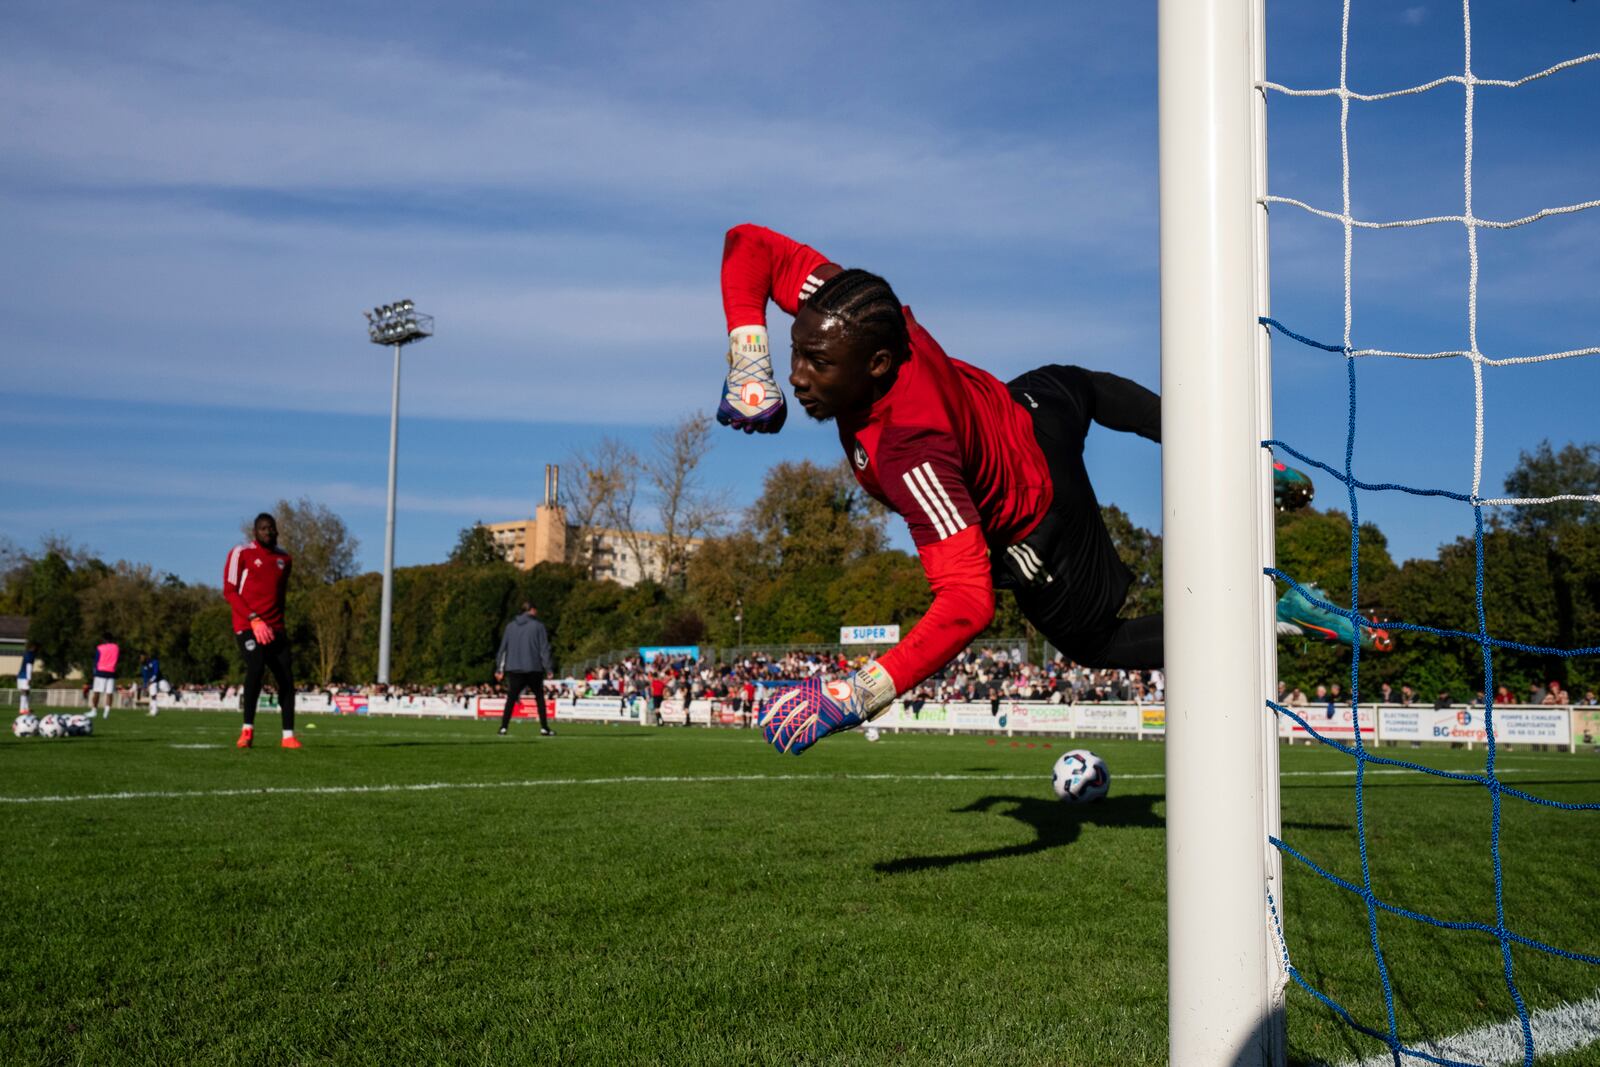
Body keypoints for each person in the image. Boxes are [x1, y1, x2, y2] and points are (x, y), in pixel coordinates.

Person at [224, 513, 299, 749]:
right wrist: (253, 619)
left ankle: (288, 736)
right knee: (256, 666)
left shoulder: (284, 559)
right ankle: (247, 731)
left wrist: (279, 627)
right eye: (264, 528)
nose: (269, 532)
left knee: (286, 679)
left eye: (272, 528)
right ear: (255, 532)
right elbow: (230, 591)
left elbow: (280, 596)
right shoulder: (241, 553)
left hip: (275, 628)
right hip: (248, 625)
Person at [495, 602, 554, 736]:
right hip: (534, 668)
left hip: (514, 668)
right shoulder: (538, 626)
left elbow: (503, 649)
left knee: (511, 699)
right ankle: (544, 727)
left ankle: (503, 727)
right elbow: (544, 649)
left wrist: (499, 668)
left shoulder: (510, 626)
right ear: (532, 610)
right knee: (539, 699)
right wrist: (548, 668)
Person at [89, 634, 119, 718]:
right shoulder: (116, 647)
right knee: (109, 693)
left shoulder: (100, 647)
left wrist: (94, 671)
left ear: (104, 640)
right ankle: (106, 712)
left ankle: (94, 711)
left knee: (96, 692)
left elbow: (96, 660)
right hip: (111, 672)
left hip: (100, 672)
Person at [16, 642, 35, 717]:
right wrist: (29, 678)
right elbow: (29, 666)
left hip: (21, 676)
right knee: (25, 692)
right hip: (24, 677)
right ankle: (22, 709)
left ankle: (25, 708)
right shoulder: (30, 655)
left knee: (26, 692)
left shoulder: (27, 653)